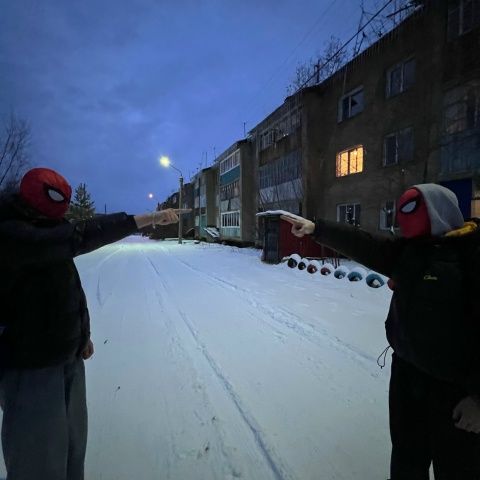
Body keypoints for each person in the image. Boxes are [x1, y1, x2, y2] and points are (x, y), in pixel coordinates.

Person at [0, 167, 190, 480]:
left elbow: (68, 289)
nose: (60, 221)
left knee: (72, 454)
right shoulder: (13, 235)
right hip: (30, 368)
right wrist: (147, 219)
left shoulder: (46, 229)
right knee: (38, 464)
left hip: (69, 359)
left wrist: (82, 335)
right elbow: (78, 237)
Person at [282, 183, 480, 480]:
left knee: (457, 469)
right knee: (406, 459)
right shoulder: (409, 252)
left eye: (411, 211)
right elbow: (365, 243)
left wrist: (478, 399)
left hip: (455, 393)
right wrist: (317, 229)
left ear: (438, 212)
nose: (402, 220)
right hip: (406, 378)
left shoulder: (471, 255)